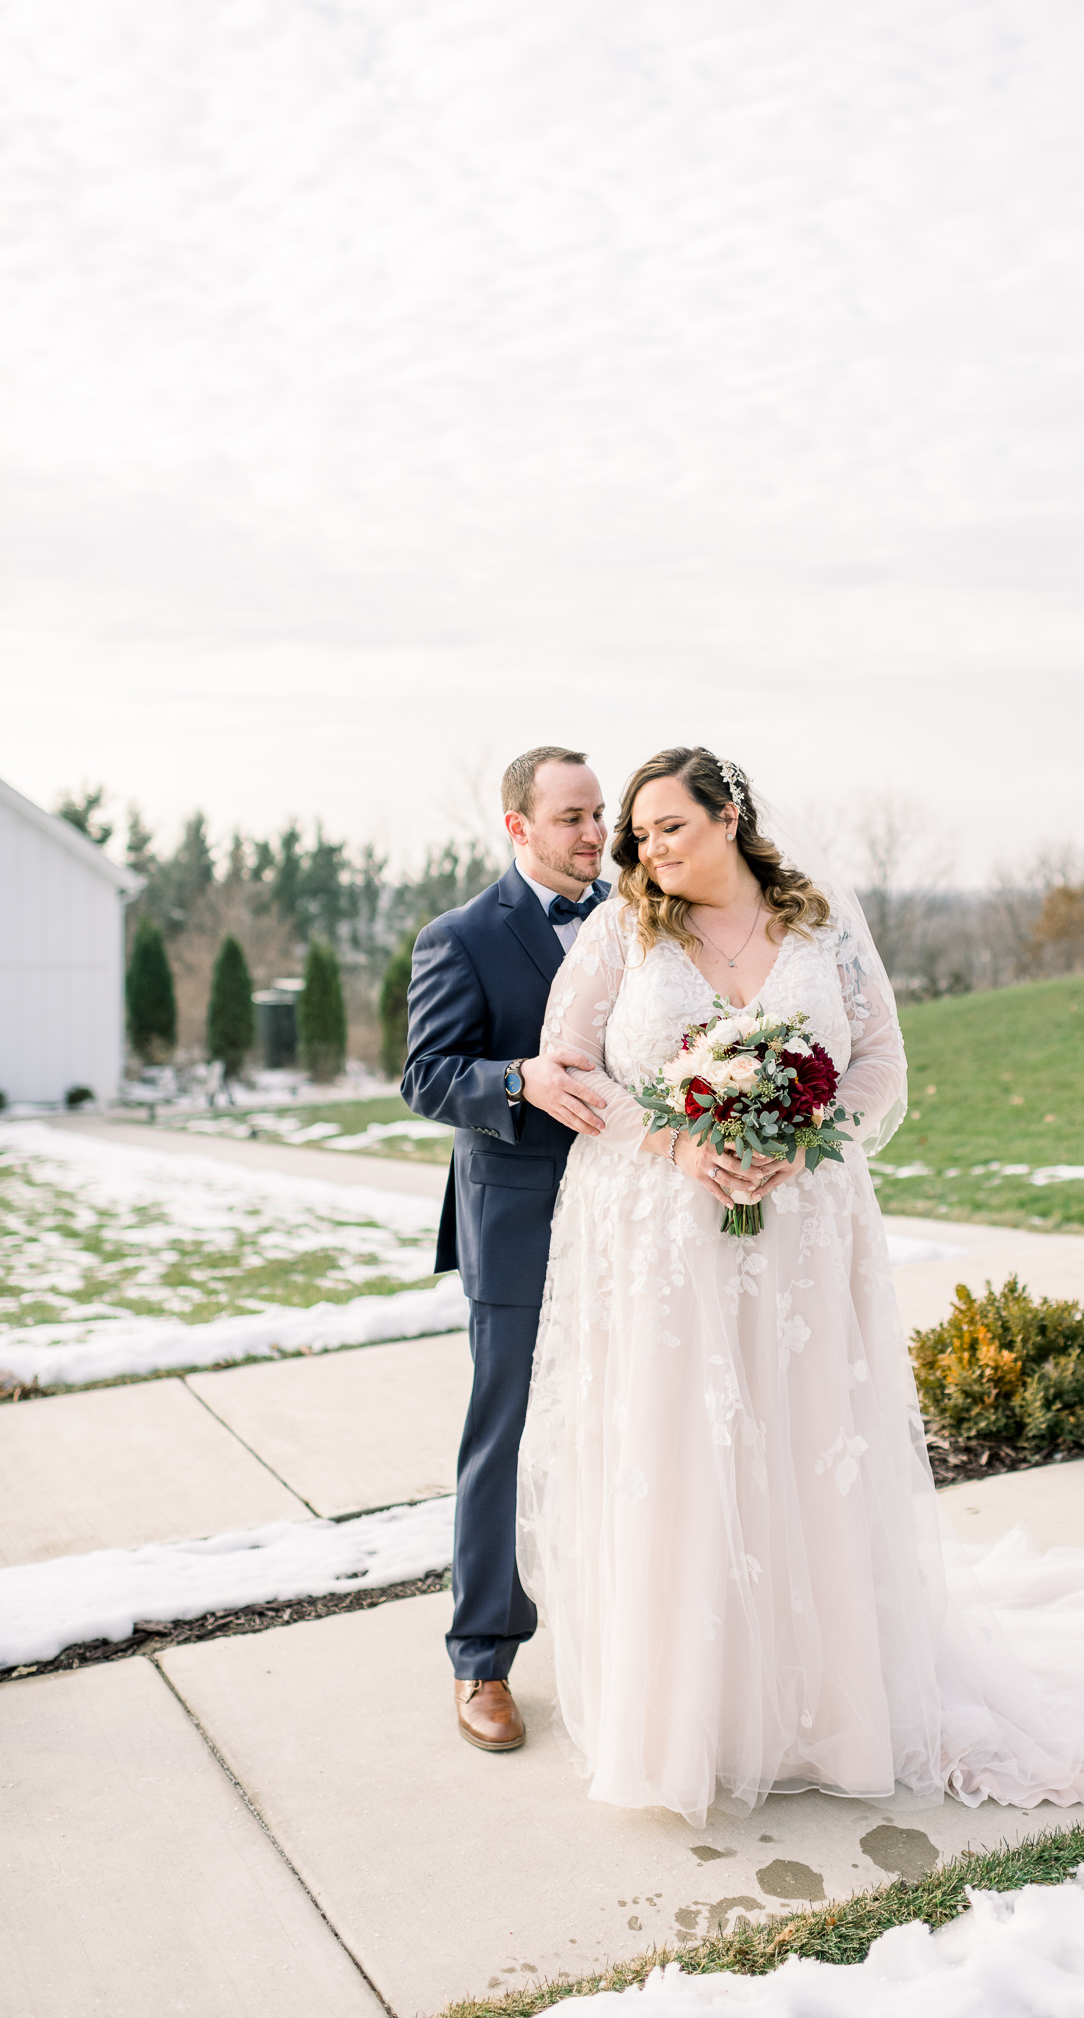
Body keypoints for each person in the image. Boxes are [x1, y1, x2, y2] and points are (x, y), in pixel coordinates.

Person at [517, 746, 1084, 1826]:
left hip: (806, 1235)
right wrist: (682, 1143)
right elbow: (569, 1068)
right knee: (690, 1454)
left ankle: (827, 1711)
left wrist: (800, 1134)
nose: (649, 851)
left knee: (802, 1442)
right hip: (665, 1239)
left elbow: (880, 1067)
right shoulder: (620, 932)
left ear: (730, 816)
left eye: (669, 827)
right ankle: (697, 1720)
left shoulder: (823, 928)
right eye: (638, 836)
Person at [401, 746, 612, 1753]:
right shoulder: (459, 938)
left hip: (635, 1216)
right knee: (508, 1435)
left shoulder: (640, 922)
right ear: (517, 827)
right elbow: (427, 1076)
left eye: (599, 814)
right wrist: (519, 1079)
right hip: (516, 1218)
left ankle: (635, 1647)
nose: (592, 833)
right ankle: (481, 1658)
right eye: (570, 816)